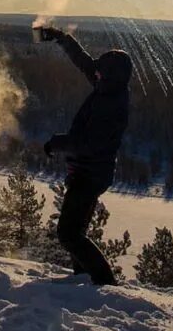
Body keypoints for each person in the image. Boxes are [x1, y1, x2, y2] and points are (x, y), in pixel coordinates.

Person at [40, 26, 131, 286]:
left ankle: (104, 284)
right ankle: (83, 282)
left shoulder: (110, 105)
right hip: (89, 171)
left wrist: (56, 144)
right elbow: (85, 64)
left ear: (110, 76)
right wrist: (61, 38)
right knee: (74, 233)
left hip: (91, 174)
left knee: (69, 235)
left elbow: (88, 144)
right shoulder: (109, 87)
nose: (96, 73)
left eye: (101, 72)